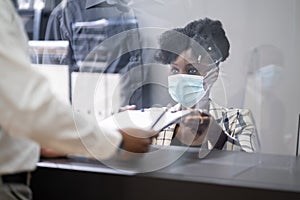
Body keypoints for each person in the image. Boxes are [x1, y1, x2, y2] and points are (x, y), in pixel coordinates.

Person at [0, 1, 156, 199]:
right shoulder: (65, 13)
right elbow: (34, 104)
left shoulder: (150, 11)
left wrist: (41, 142)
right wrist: (116, 141)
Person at [153, 18, 259, 152]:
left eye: (191, 70)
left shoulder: (237, 119)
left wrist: (215, 133)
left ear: (213, 74)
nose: (181, 77)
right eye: (175, 69)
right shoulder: (158, 119)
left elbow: (250, 165)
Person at [44, 0, 154, 109]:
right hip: (97, 122)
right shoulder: (66, 13)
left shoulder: (163, 7)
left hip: (163, 120)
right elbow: (56, 89)